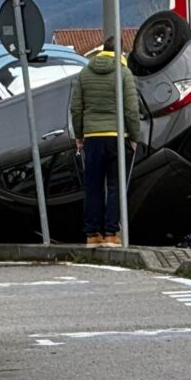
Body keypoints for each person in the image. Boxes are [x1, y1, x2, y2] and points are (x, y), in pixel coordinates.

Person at [70, 37, 139, 247]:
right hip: (117, 137)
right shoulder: (124, 73)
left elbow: (76, 108)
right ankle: (111, 233)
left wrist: (79, 136)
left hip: (92, 137)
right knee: (115, 186)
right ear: (120, 53)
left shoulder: (84, 74)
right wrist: (134, 136)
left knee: (93, 187)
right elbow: (131, 109)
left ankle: (92, 234)